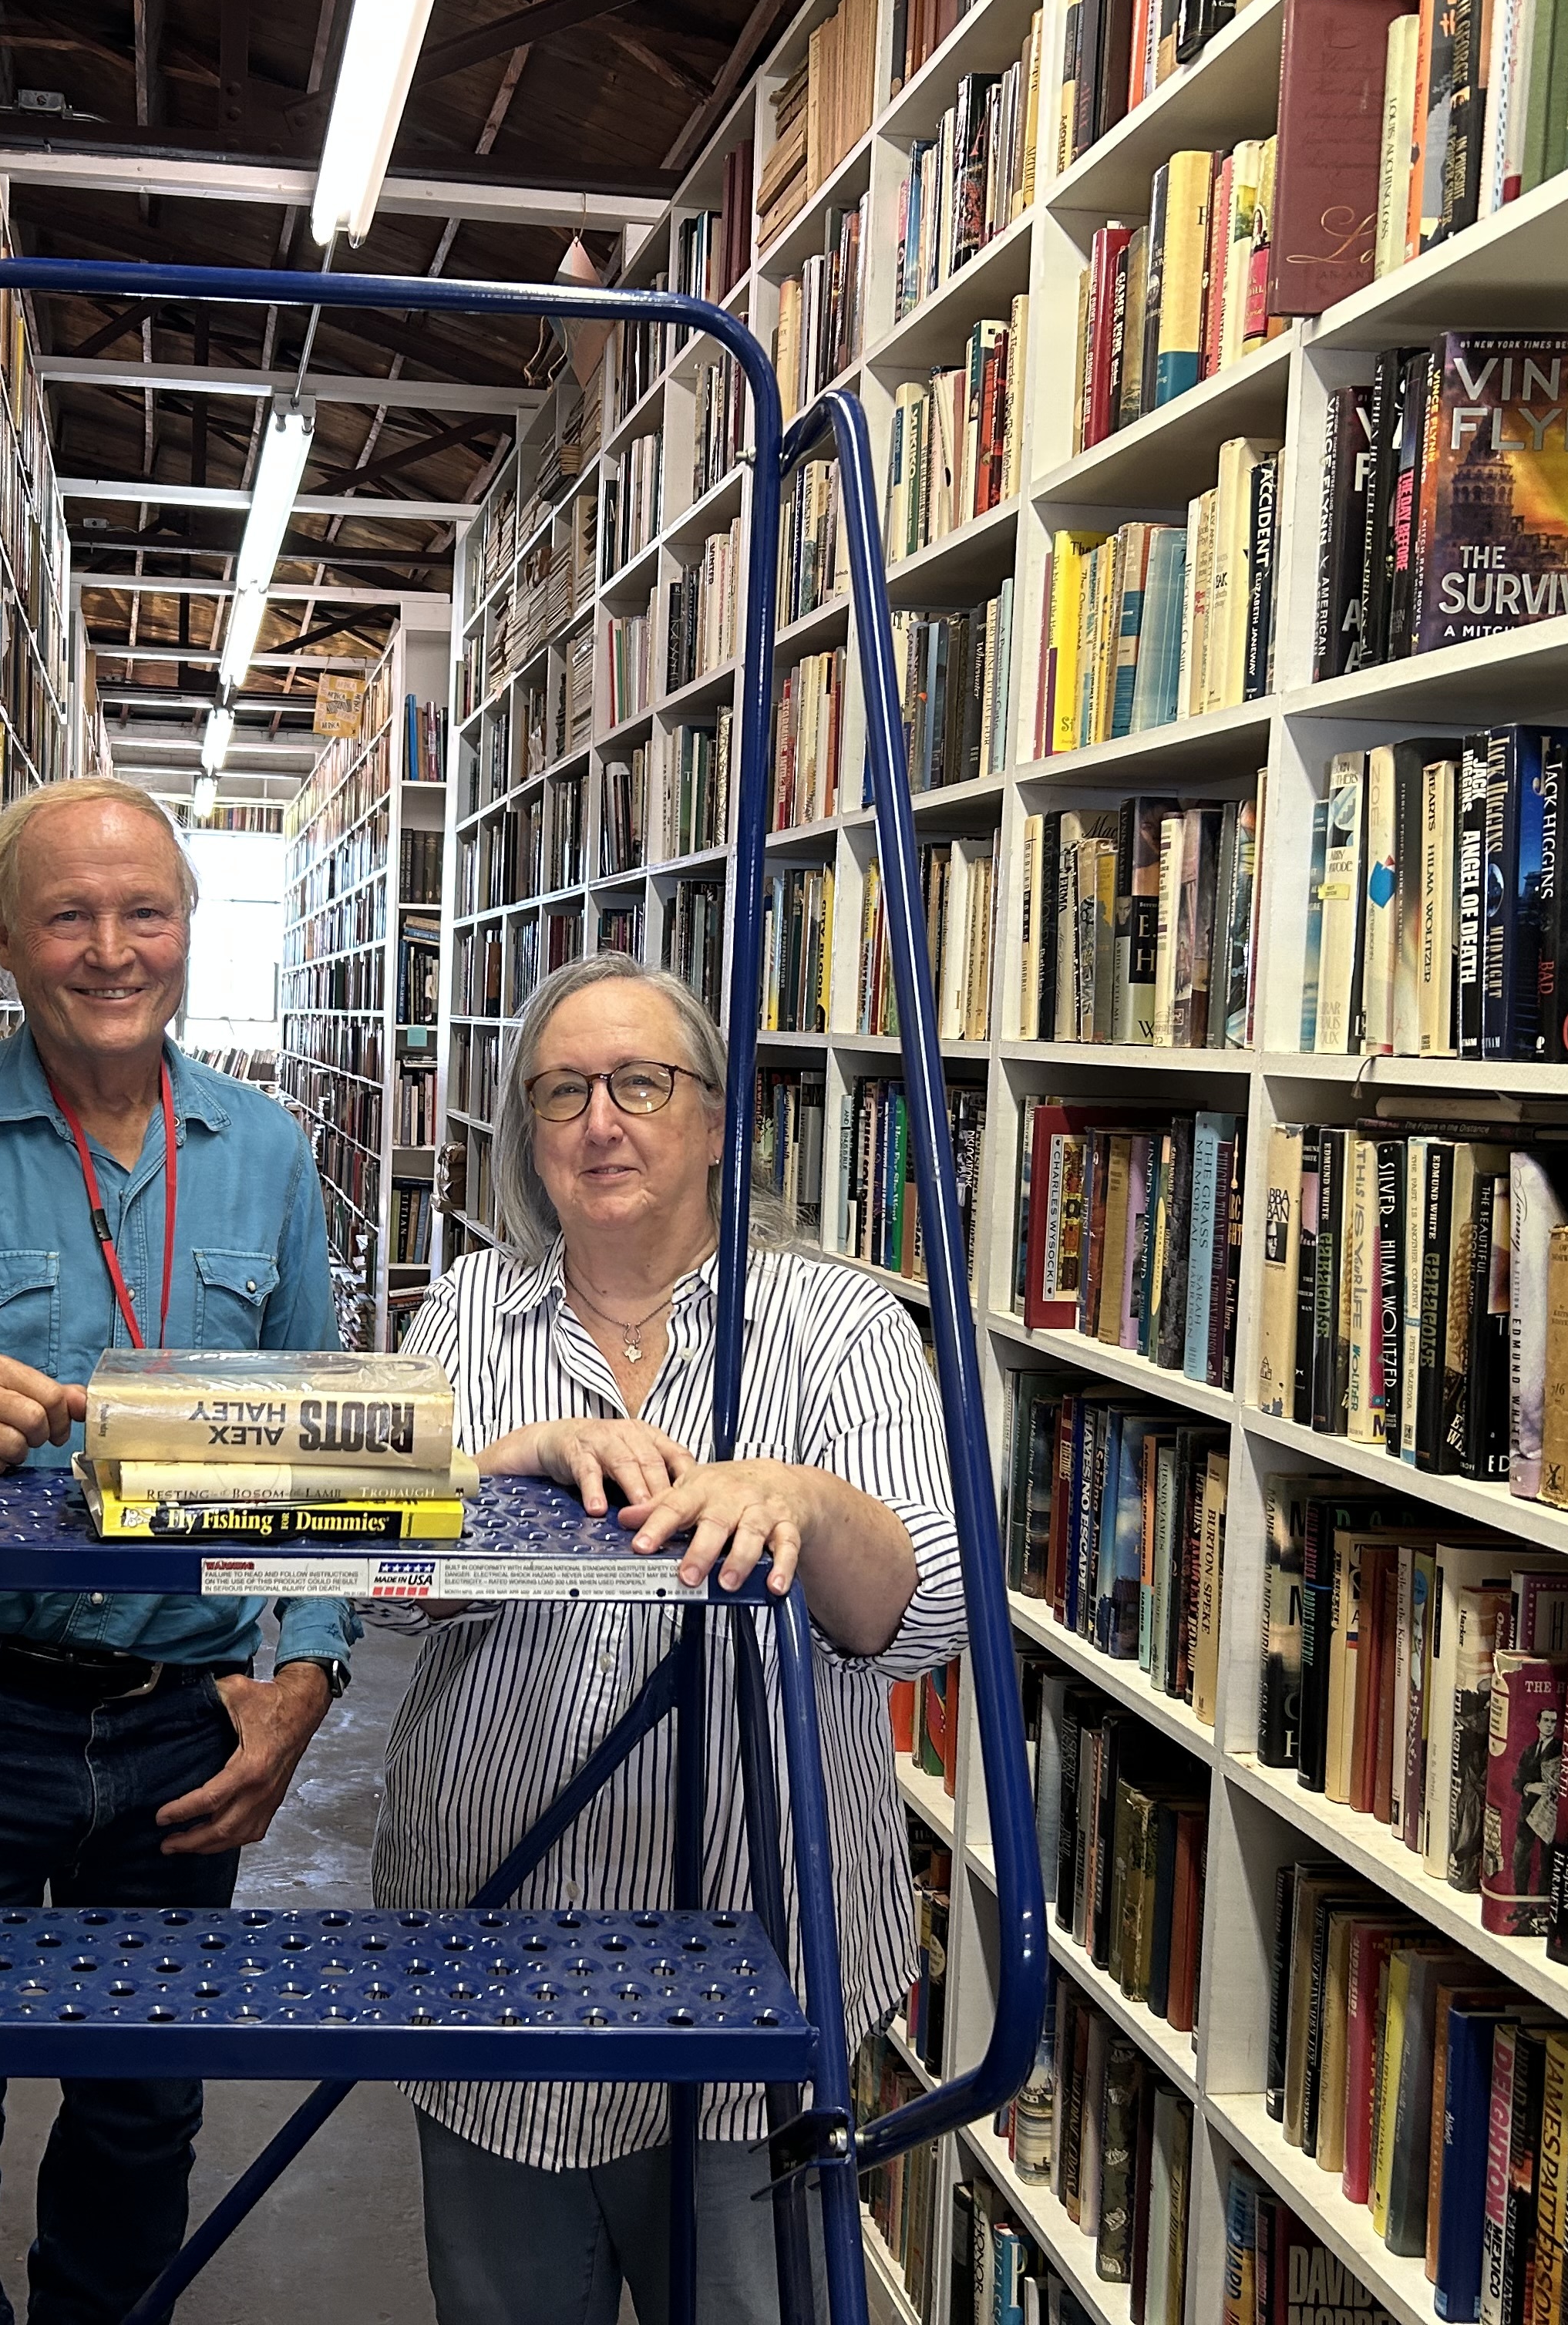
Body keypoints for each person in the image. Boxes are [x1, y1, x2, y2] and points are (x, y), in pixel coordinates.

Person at [0, 775, 356, 2325]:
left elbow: (329, 1475)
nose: (112, 949)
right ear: (1, 947)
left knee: (142, 2113)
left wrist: (301, 1674)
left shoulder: (268, 1156)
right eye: (69, 916)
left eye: (145, 911)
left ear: (189, 933)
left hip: (182, 1720)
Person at [370, 951, 967, 2325]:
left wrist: (805, 1501)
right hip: (491, 1952)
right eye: (563, 1090)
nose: (602, 1120)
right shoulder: (461, 1315)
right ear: (528, 1130)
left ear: (712, 1118)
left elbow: (924, 1615)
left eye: (642, 1082)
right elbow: (381, 1586)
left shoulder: (839, 1320)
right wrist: (495, 1471)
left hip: (760, 1969)